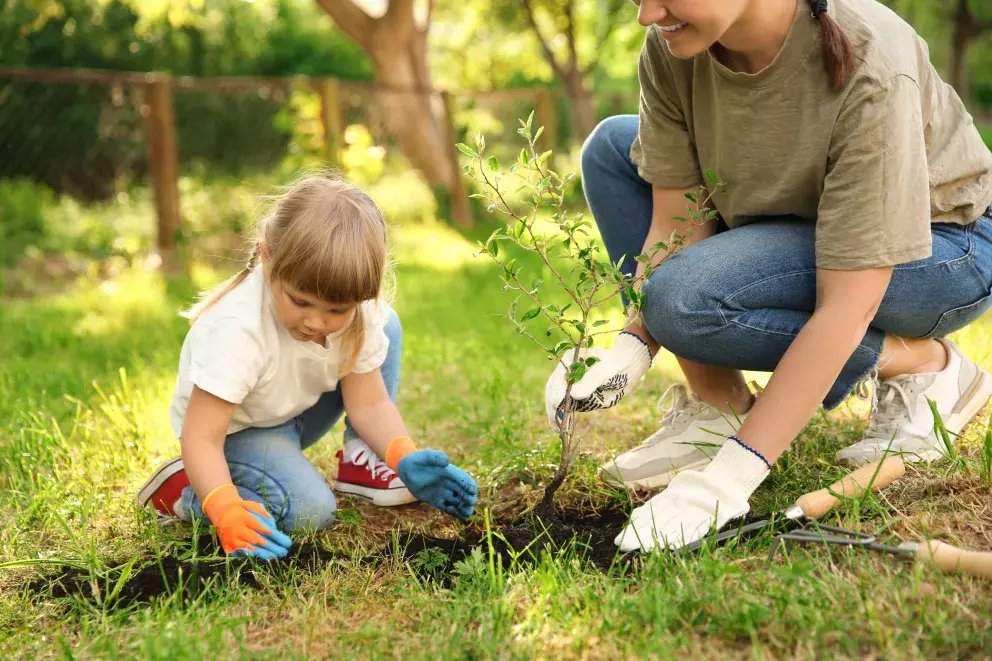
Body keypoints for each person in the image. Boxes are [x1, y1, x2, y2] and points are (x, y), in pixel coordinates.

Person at [545, 0, 992, 552]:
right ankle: (718, 409)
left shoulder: (871, 58)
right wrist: (629, 349)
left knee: (683, 300)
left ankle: (925, 364)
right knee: (614, 150)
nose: (646, 14)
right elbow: (675, 227)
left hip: (944, 247)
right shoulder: (672, 45)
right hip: (797, 223)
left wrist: (726, 483)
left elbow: (845, 305)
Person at [138, 174, 478, 559]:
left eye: (336, 310)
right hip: (235, 432)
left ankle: (360, 460)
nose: (316, 322)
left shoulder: (357, 313)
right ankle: (189, 492)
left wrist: (402, 456)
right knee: (310, 511)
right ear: (268, 257)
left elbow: (368, 404)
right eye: (300, 302)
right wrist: (224, 509)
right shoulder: (238, 332)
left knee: (385, 324)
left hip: (294, 410)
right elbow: (201, 437)